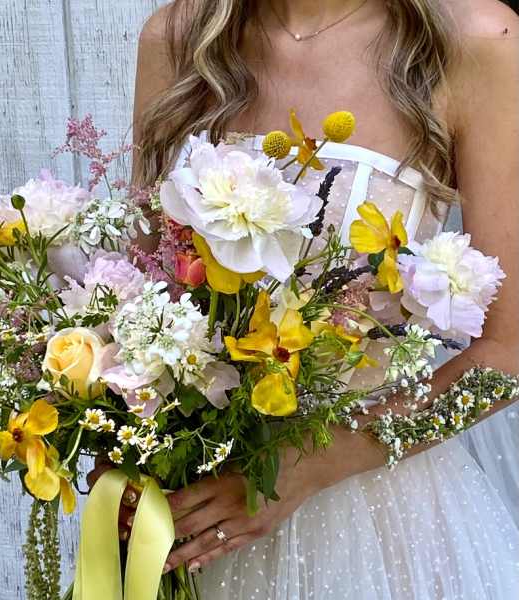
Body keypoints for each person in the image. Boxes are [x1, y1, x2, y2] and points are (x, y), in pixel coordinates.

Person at [89, 1, 519, 597]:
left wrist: (303, 470)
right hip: (197, 519)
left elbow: (508, 355)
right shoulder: (180, 38)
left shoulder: (474, 37)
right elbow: (145, 297)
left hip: (376, 523)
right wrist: (118, 433)